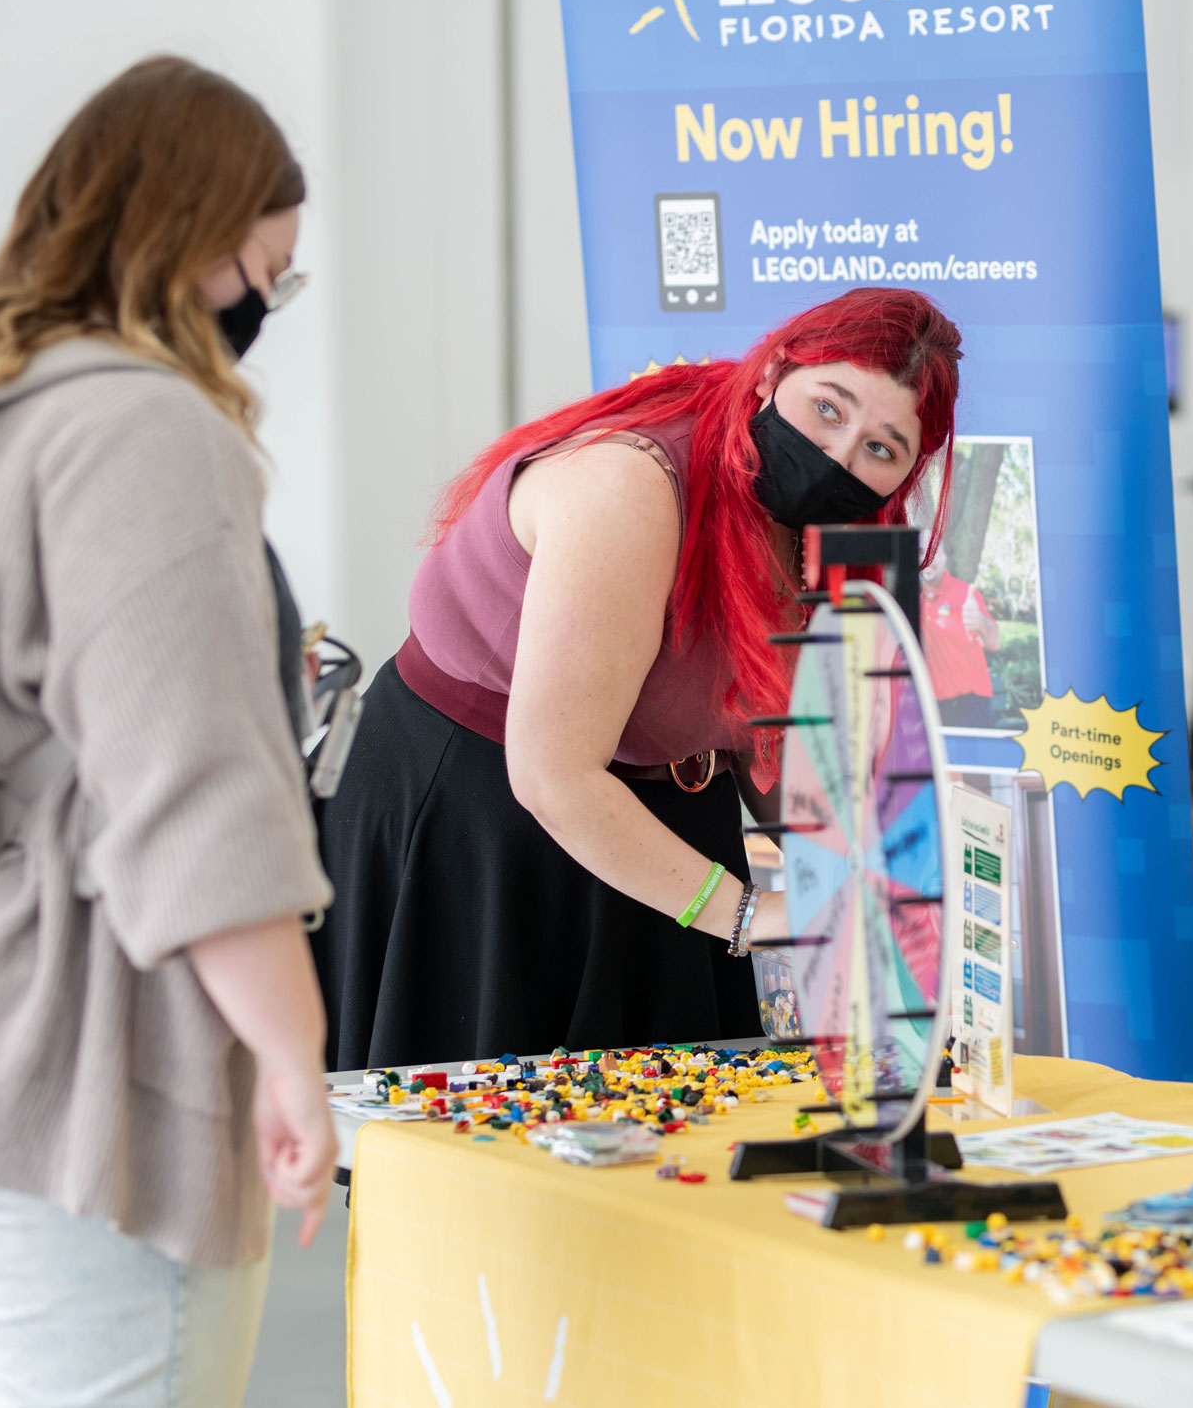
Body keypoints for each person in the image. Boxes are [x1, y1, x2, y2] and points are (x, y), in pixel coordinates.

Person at [0, 58, 335, 1405]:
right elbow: (194, 797)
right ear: (199, 241)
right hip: (53, 1055)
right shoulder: (139, 427)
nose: (266, 305)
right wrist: (292, 1056)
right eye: (271, 268)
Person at [313, 288, 961, 1070]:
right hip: (484, 812)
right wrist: (755, 912)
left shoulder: (840, 537)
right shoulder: (631, 484)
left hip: (667, 805)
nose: (842, 456)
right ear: (773, 373)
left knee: (677, 1130)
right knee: (495, 1131)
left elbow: (769, 740)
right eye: (830, 408)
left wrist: (874, 885)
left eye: (881, 449)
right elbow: (553, 775)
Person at [920, 550, 1002, 727]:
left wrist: (980, 621)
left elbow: (995, 643)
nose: (926, 559)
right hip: (935, 709)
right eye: (920, 553)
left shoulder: (965, 593)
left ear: (943, 557)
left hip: (970, 707)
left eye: (932, 552)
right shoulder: (918, 603)